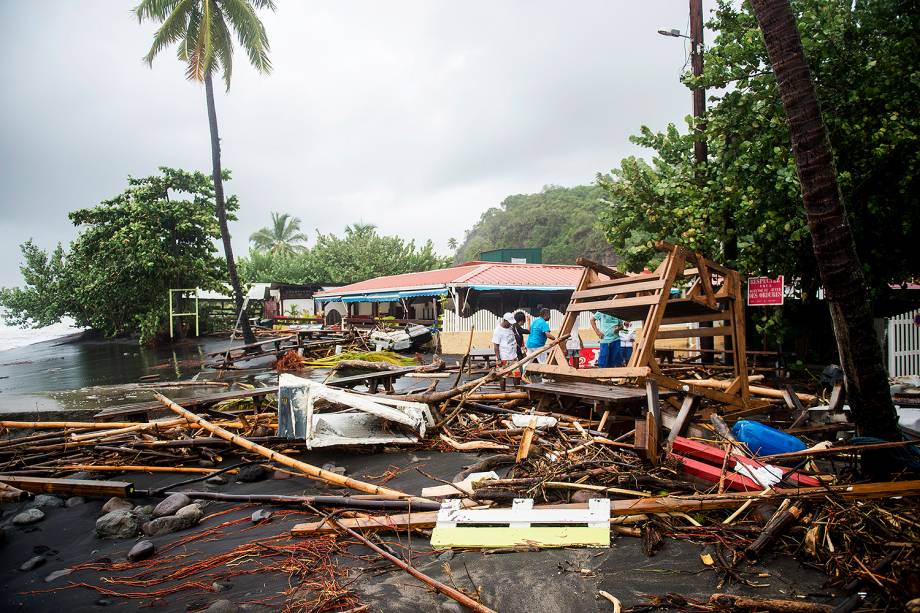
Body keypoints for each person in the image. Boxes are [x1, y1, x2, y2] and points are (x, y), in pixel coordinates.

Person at [492, 312, 519, 390]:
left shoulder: (511, 328)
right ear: (504, 320)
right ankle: (502, 392)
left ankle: (517, 392)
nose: (510, 324)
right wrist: (498, 359)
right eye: (509, 322)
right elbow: (496, 346)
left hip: (513, 357)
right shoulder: (498, 330)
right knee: (502, 376)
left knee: (516, 376)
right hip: (504, 357)